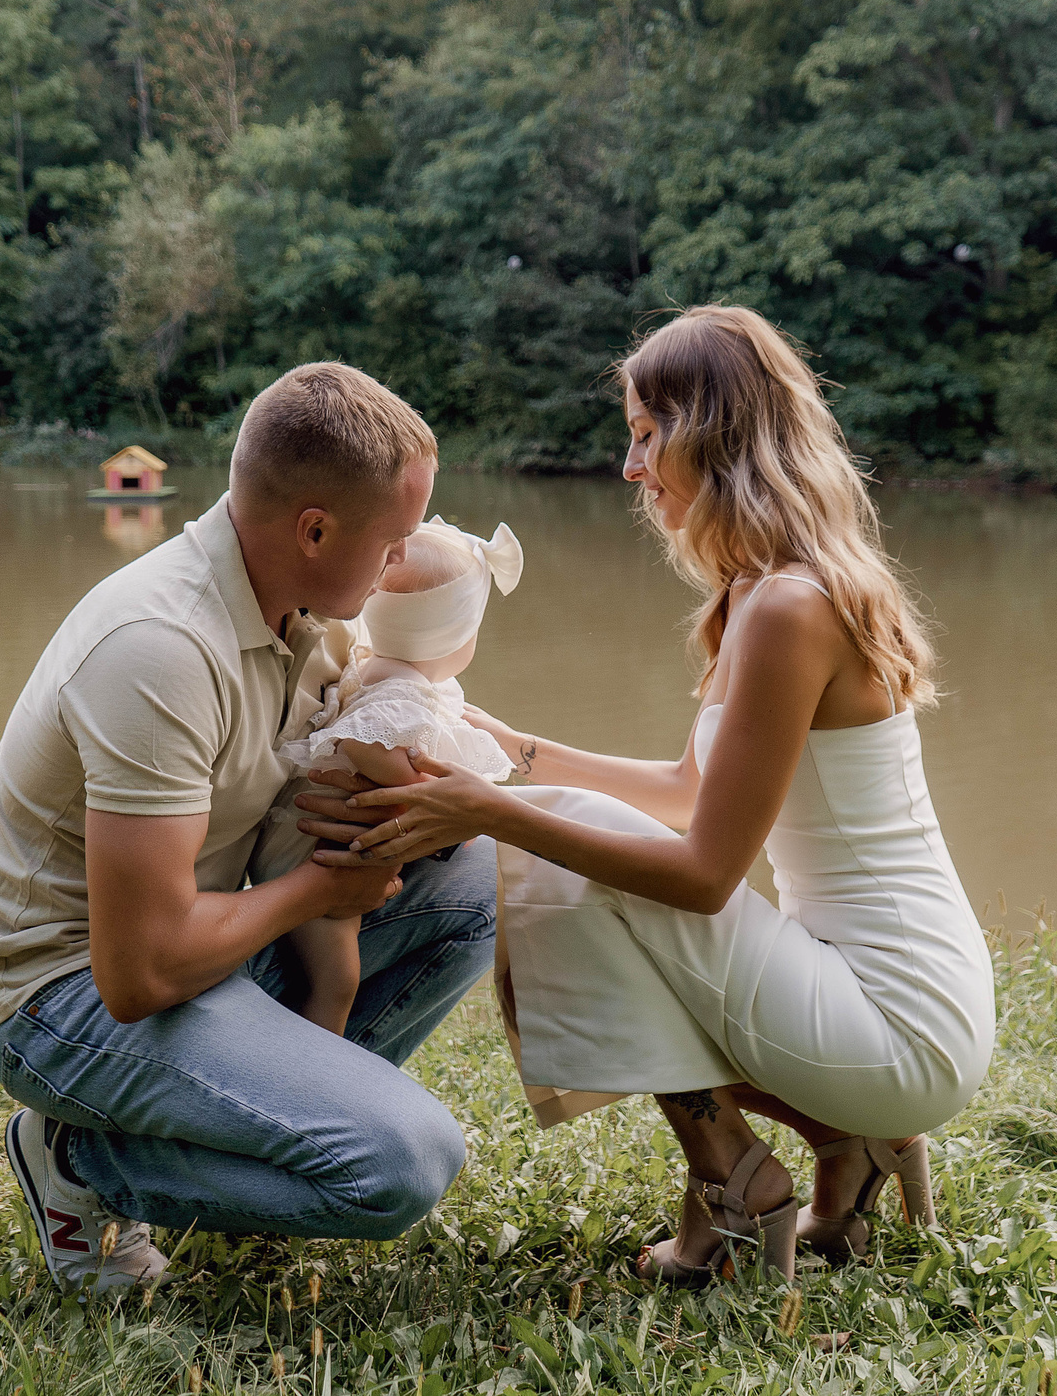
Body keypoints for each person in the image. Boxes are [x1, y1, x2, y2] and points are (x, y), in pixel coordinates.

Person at [300, 306, 995, 1285]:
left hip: (895, 1024)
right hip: (890, 995)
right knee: (570, 842)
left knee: (555, 852)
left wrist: (490, 810)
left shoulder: (788, 609)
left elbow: (706, 874)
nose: (630, 469)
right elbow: (686, 791)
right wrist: (513, 749)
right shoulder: (769, 590)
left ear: (710, 433)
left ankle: (735, 1178)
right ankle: (839, 1141)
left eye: (643, 435)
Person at [0, 363, 497, 1291]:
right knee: (402, 1164)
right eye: (397, 540)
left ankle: (249, 1155)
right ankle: (80, 1167)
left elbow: (416, 723)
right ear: (314, 529)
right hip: (63, 992)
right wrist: (326, 886)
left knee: (478, 880)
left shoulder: (312, 611)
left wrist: (413, 811)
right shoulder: (158, 647)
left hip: (193, 937)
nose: (404, 561)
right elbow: (141, 971)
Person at [258, 517, 523, 1033]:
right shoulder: (399, 698)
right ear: (456, 637)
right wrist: (432, 796)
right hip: (310, 855)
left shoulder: (386, 666)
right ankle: (314, 1076)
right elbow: (367, 743)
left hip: (321, 842)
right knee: (335, 980)